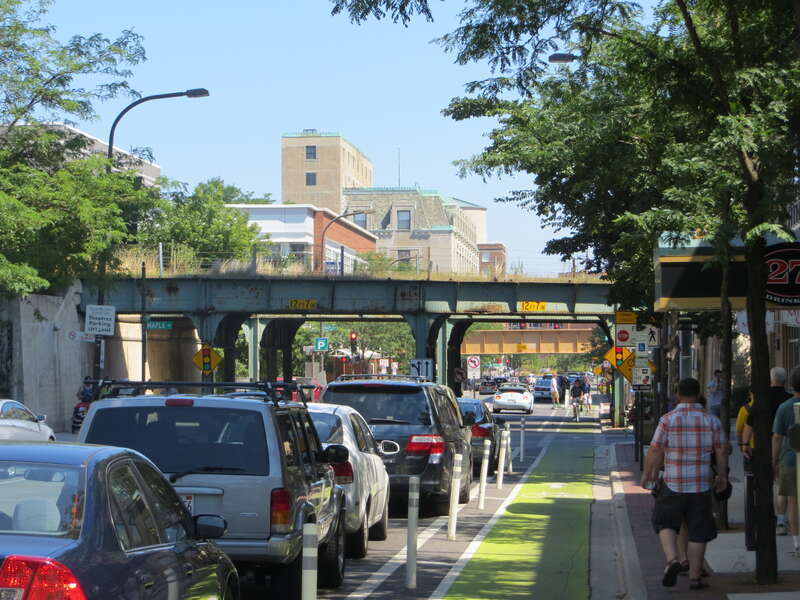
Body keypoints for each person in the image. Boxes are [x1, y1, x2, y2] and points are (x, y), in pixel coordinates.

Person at [641, 377, 727, 590]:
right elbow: (722, 449)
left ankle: (672, 560)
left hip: (673, 482)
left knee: (665, 522)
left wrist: (648, 473)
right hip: (701, 483)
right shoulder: (712, 420)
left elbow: (655, 449)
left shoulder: (667, 420)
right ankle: (695, 578)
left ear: (678, 395)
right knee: (699, 530)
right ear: (699, 395)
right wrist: (722, 475)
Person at [742, 366, 791, 534]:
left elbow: (749, 424)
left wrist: (745, 444)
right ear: (785, 381)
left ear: (771, 380)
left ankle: (766, 517)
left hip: (763, 446)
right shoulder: (790, 399)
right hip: (787, 446)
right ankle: (782, 520)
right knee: (784, 486)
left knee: (764, 483)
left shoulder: (762, 399)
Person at [771, 366, 800, 554]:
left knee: (793, 502)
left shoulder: (785, 408)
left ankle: (797, 543)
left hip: (790, 459)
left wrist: (773, 461)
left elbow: (777, 437)